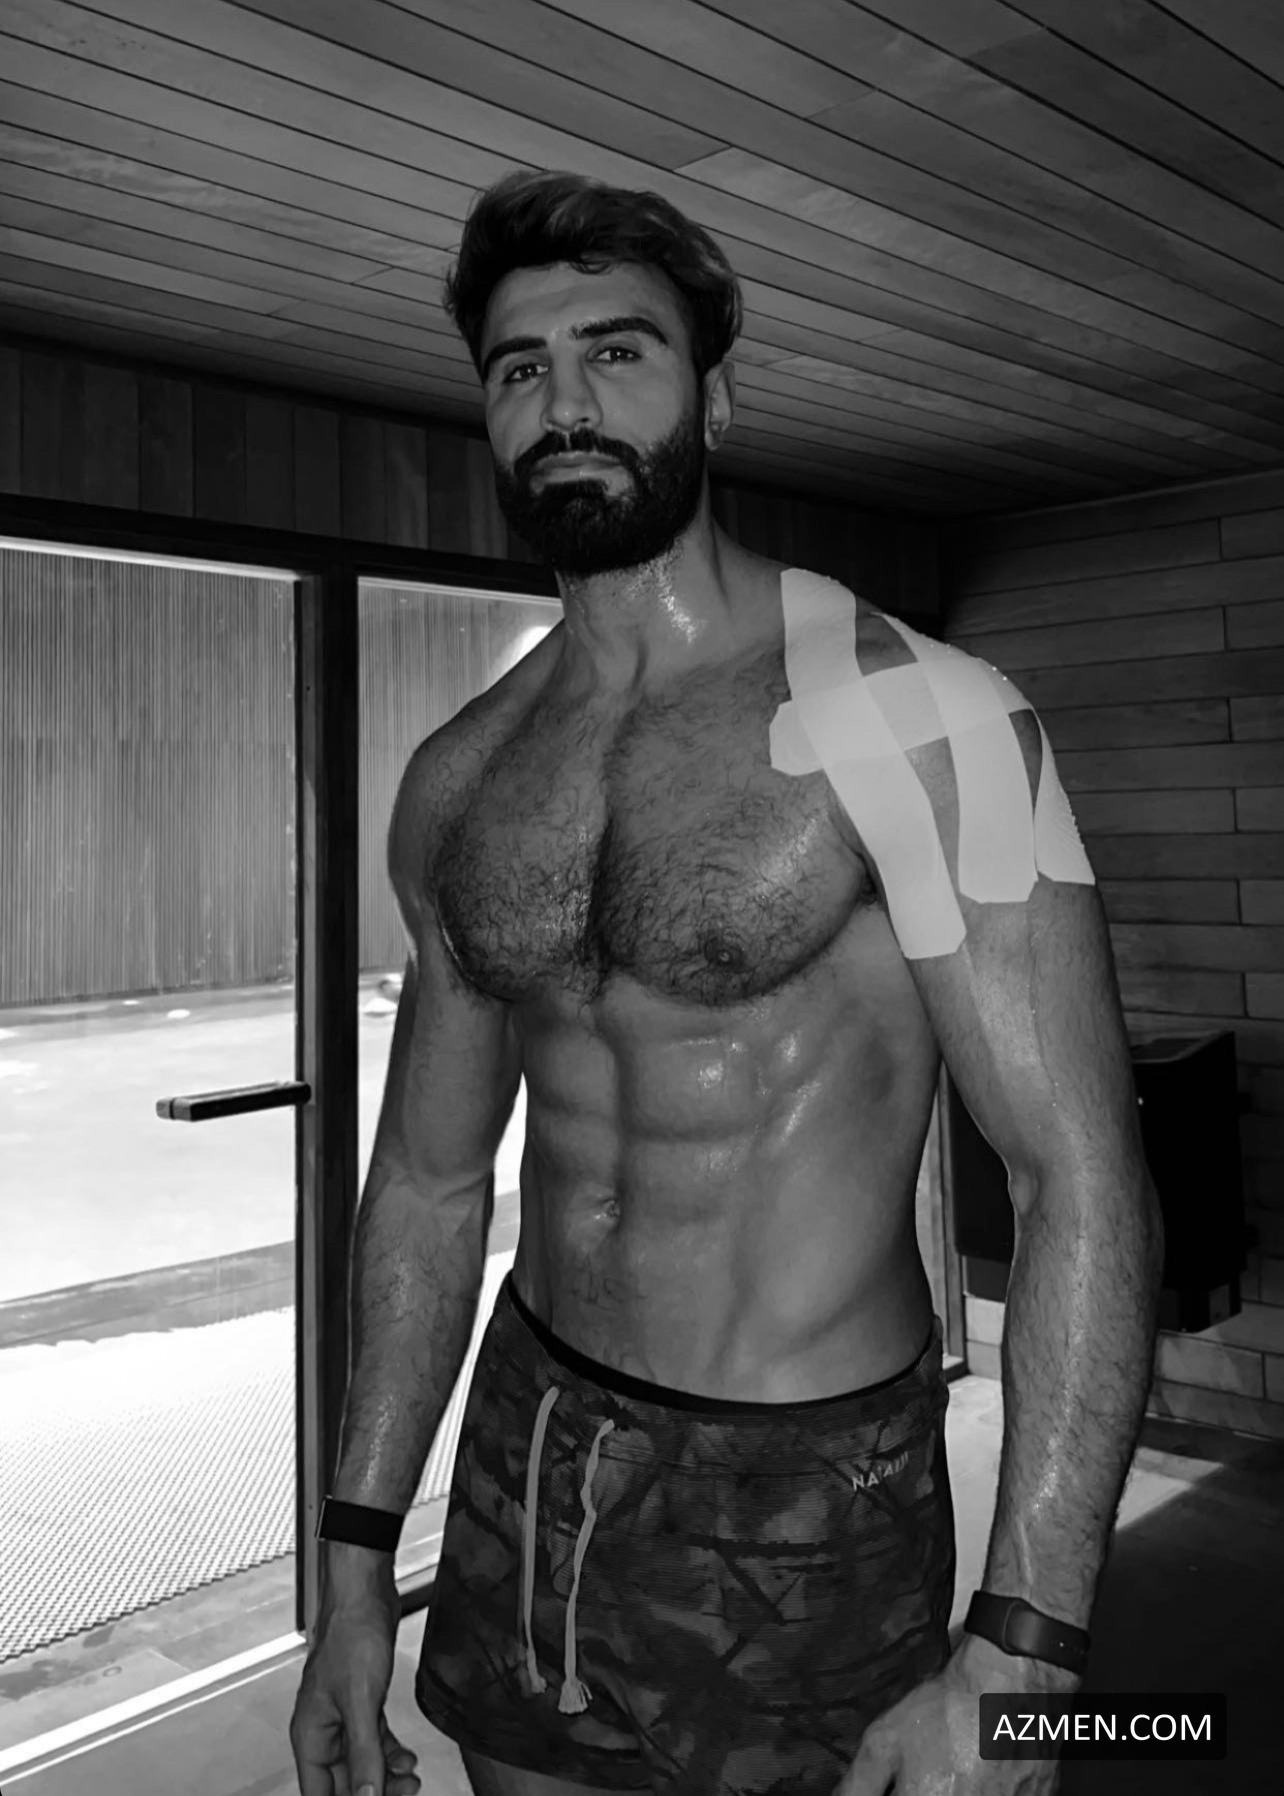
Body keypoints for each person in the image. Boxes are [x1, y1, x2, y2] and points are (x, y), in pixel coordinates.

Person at [289, 172, 1163, 1796]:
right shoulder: (460, 779)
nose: (565, 405)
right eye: (520, 367)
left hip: (806, 1490)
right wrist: (349, 1562)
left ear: (718, 395)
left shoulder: (920, 718)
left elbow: (1081, 1182)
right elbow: (424, 1183)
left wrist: (1029, 1650)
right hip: (530, 1438)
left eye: (617, 353)